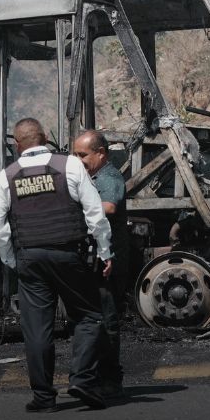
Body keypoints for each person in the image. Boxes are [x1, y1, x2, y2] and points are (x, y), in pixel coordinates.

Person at [0, 118, 113, 412]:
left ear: (17, 145)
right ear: (45, 138)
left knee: (37, 329)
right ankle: (82, 379)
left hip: (30, 259)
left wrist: (11, 258)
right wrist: (105, 251)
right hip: (69, 255)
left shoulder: (6, 176)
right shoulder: (70, 166)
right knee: (88, 316)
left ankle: (44, 398)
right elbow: (95, 214)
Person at [72, 129, 127, 399]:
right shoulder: (90, 177)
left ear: (101, 154)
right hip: (95, 258)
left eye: (82, 155)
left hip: (109, 260)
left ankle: (111, 380)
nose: (78, 160)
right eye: (75, 155)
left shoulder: (109, 177)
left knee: (107, 321)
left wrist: (73, 208)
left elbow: (109, 207)